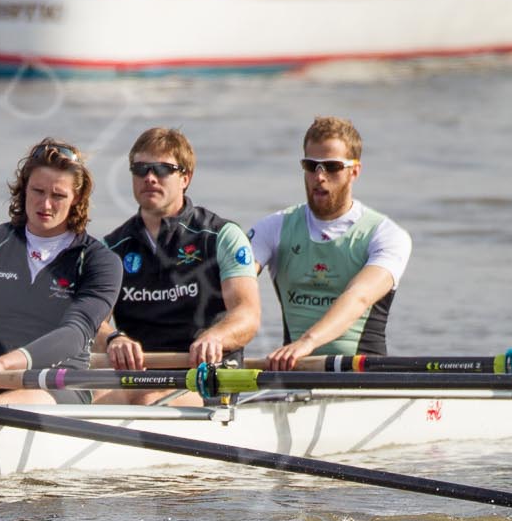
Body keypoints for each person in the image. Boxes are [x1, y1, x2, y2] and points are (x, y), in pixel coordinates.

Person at [94, 127, 261, 405]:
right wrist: (112, 338)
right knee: (92, 399)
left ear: (185, 177)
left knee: (148, 400)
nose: (149, 177)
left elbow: (248, 315)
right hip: (140, 374)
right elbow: (91, 321)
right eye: (141, 169)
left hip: (205, 375)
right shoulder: (111, 248)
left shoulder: (221, 236)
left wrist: (216, 337)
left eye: (162, 169)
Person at [0, 137, 120, 406]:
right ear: (23, 189)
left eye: (58, 195)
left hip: (60, 383)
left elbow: (74, 334)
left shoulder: (100, 261)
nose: (46, 204)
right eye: (38, 191)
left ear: (77, 200)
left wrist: (2, 365)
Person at [247, 117, 413, 370]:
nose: (319, 176)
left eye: (332, 167)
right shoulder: (273, 227)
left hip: (364, 379)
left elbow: (358, 296)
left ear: (354, 171)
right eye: (311, 166)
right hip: (295, 374)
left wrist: (307, 342)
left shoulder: (387, 235)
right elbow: (234, 281)